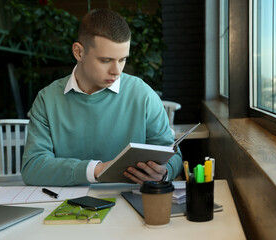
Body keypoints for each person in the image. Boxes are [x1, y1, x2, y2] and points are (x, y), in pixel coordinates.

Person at [21, 8, 183, 186]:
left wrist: (163, 173)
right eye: (106, 60)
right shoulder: (47, 99)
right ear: (79, 52)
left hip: (131, 202)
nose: (116, 71)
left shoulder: (143, 94)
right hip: (65, 205)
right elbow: (33, 167)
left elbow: (172, 154)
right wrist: (96, 170)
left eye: (122, 60)